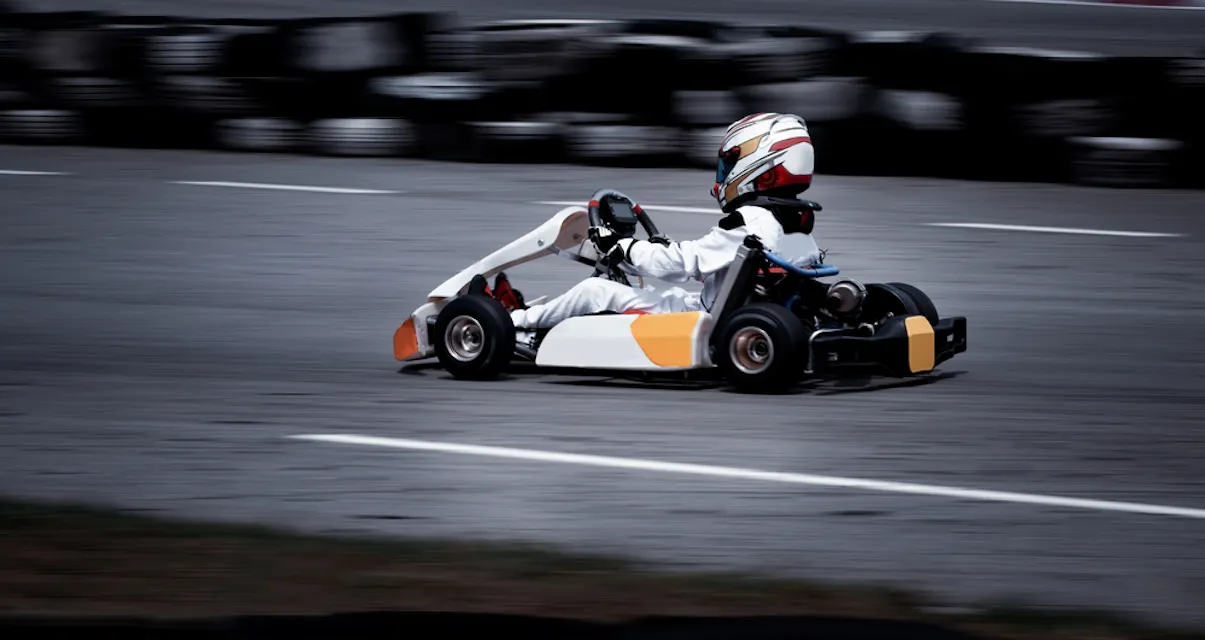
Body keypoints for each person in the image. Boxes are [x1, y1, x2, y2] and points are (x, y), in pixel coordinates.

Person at [480, 112, 822, 330]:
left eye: (729, 164)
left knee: (595, 289)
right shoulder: (795, 221)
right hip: (732, 310)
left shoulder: (746, 222)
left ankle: (508, 322)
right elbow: (703, 260)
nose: (723, 175)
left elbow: (681, 264)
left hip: (707, 322)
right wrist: (657, 246)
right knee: (651, 291)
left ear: (757, 167)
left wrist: (624, 247)